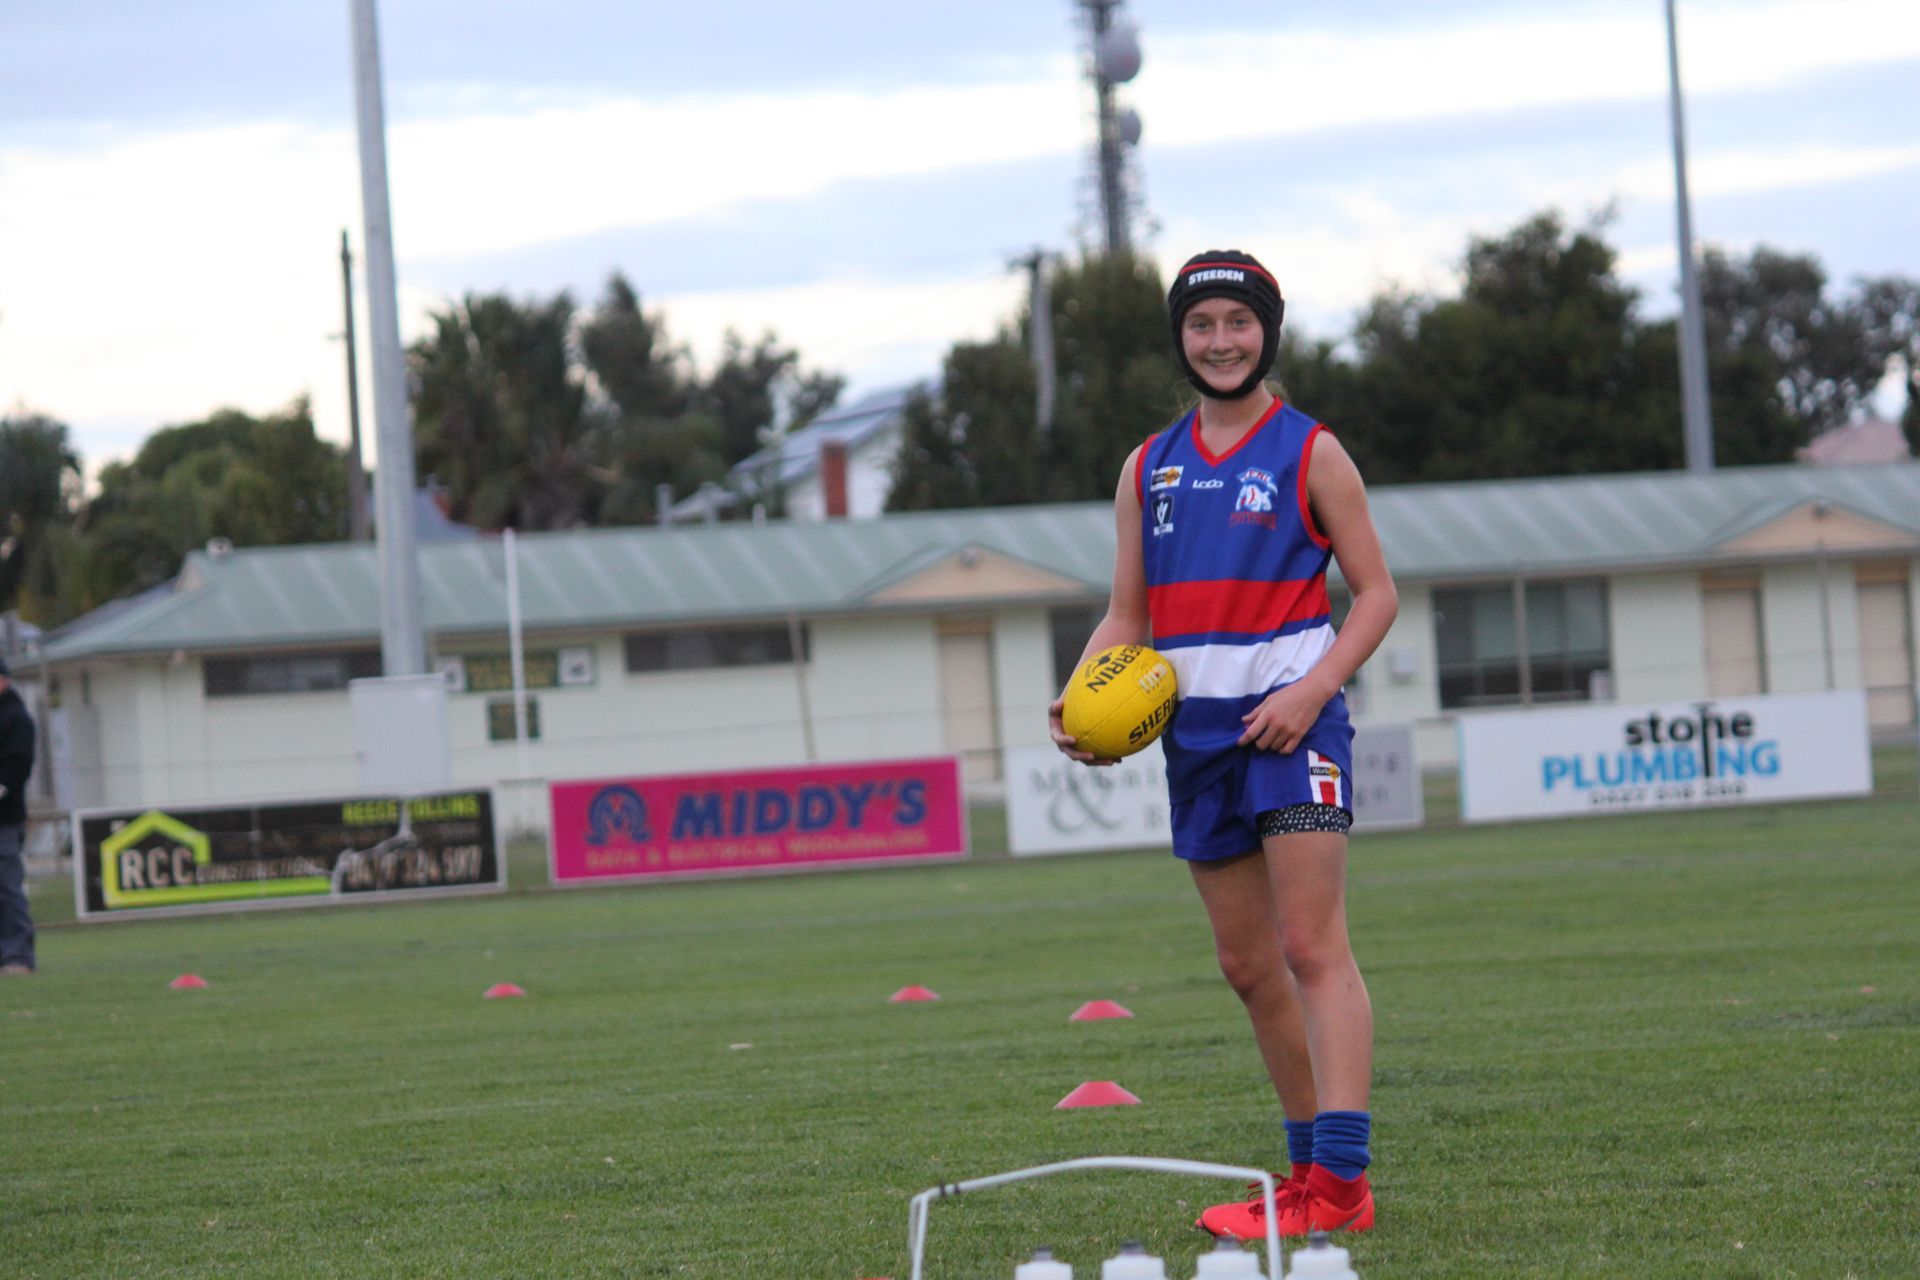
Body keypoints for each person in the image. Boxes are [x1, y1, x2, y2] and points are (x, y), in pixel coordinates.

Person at [1049, 250, 1397, 1238]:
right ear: (1181, 339)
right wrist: (1080, 697)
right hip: (1195, 740)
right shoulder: (1146, 466)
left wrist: (1312, 690)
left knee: (1311, 946)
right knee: (1248, 966)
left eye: (1238, 323)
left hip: (1294, 728)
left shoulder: (1311, 452)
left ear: (1266, 333)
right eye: (1200, 325)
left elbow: (1377, 595)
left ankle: (1342, 1187)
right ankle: (1304, 1174)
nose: (1220, 340)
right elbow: (1129, 614)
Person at [0, 654, 38, 975]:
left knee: (7, 888)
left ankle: (18, 956)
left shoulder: (15, 717)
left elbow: (16, 768)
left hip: (4, 820)